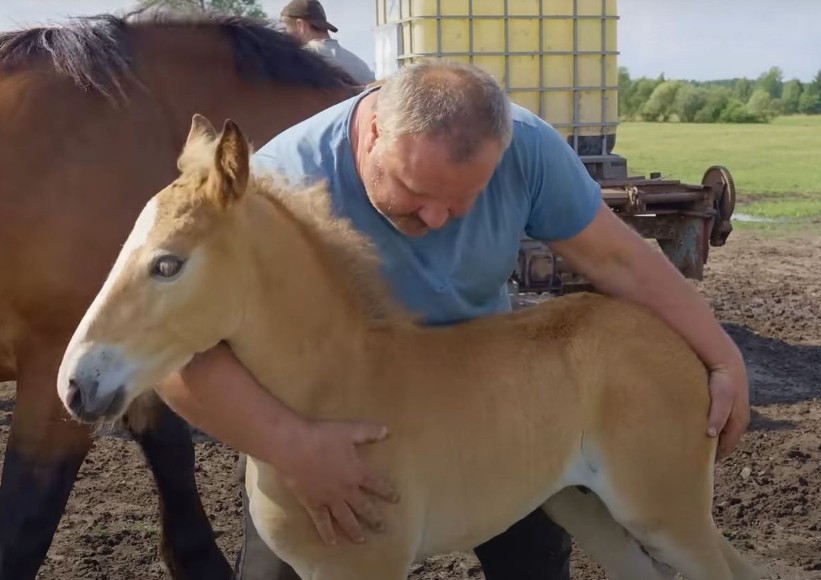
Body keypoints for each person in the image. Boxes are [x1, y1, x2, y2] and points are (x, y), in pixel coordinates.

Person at [154, 60, 751, 579]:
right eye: (415, 191)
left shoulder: (528, 148)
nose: (438, 219)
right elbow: (174, 348)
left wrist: (721, 356)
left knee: (535, 566)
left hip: (484, 404)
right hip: (320, 424)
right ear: (374, 132)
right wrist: (288, 447)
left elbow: (618, 258)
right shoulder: (277, 184)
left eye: (463, 199)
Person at [279, 0, 375, 86]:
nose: (284, 34)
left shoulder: (302, 60)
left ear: (300, 25)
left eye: (285, 29)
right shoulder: (360, 64)